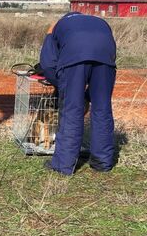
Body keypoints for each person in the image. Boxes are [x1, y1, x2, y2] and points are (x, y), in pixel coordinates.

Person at [39, 12, 117, 175]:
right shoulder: (97, 21)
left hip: (75, 57)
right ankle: (102, 162)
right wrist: (87, 95)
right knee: (102, 109)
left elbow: (47, 65)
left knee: (72, 110)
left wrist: (64, 87)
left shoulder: (54, 27)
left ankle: (63, 165)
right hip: (105, 56)